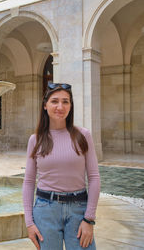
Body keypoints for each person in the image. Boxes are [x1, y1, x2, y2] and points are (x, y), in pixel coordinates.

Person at [22, 82, 101, 250]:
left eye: (65, 101)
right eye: (54, 101)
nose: (60, 106)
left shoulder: (83, 135)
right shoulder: (35, 140)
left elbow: (94, 178)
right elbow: (28, 182)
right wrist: (29, 223)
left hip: (79, 210)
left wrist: (89, 219)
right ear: (45, 105)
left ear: (71, 106)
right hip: (45, 211)